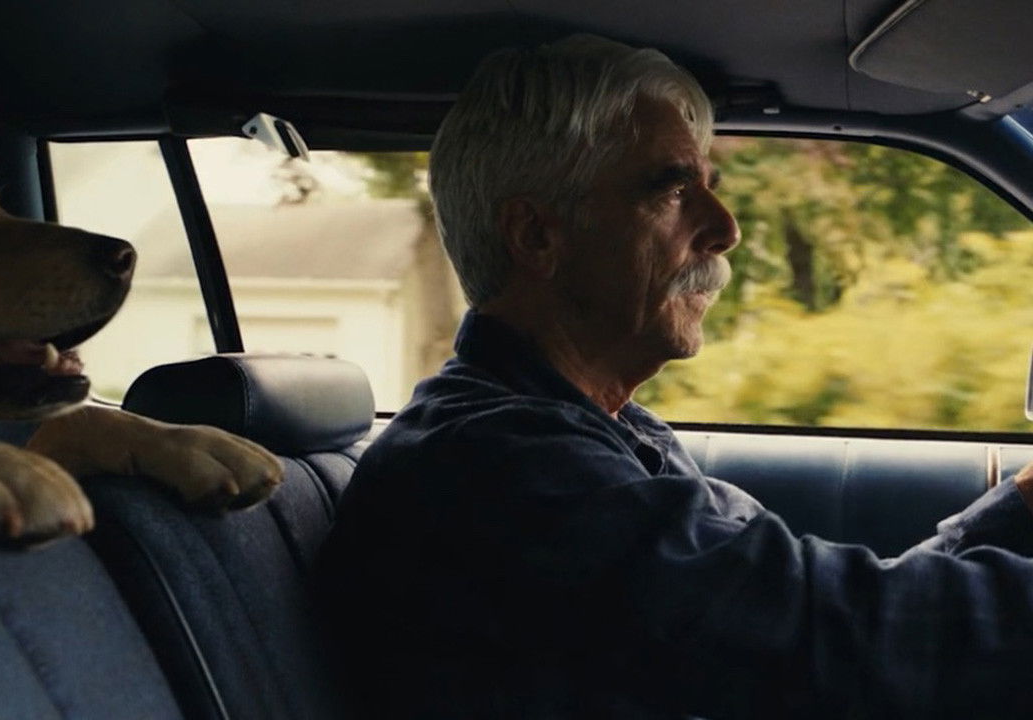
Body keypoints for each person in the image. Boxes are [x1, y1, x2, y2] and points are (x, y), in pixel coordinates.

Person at [315, 35, 1033, 718]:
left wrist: (1021, 504)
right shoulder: (498, 467)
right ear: (537, 236)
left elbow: (800, 630)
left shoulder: (595, 430)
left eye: (708, 186)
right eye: (673, 189)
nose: (726, 228)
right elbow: (821, 641)